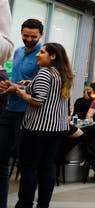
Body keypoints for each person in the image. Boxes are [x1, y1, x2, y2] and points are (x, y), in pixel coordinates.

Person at [3, 43, 71, 208]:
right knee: (47, 167)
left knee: (29, 167)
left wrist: (19, 93)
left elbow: (37, 101)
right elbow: (45, 91)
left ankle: (25, 203)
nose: (37, 55)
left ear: (52, 56)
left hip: (37, 129)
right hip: (56, 129)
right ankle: (43, 204)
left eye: (42, 52)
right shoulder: (61, 74)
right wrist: (25, 84)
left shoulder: (45, 72)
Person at [0, 18, 43, 208]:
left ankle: (25, 204)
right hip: (9, 110)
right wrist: (8, 85)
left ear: (40, 35)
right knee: (1, 159)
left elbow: (40, 87)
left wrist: (15, 89)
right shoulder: (17, 51)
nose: (29, 40)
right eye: (26, 36)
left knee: (26, 162)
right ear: (21, 33)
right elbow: (17, 78)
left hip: (27, 114)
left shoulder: (42, 56)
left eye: (34, 37)